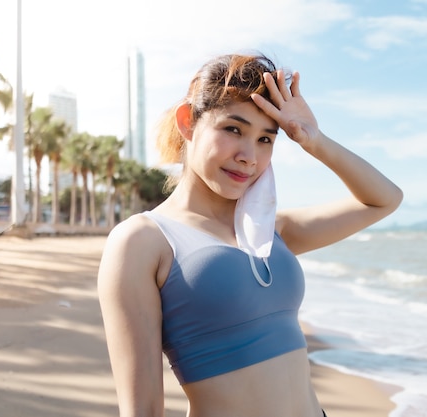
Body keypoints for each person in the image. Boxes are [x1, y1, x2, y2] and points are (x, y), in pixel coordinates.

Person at [97, 52, 403, 417]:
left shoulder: (271, 230)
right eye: (233, 129)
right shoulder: (142, 241)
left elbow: (384, 200)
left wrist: (314, 140)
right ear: (188, 122)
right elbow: (143, 409)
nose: (249, 156)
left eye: (266, 140)